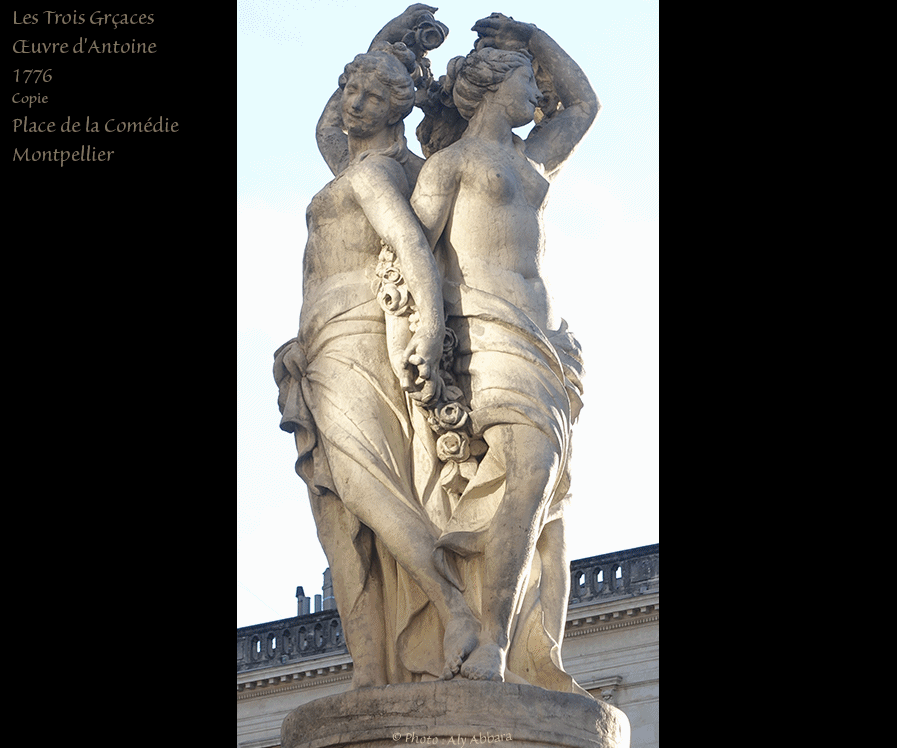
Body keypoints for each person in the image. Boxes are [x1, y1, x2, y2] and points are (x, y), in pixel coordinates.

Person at [274, 18, 481, 685]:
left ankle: (453, 602)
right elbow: (326, 131)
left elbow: (414, 250)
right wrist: (389, 41)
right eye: (348, 88)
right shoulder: (361, 163)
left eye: (367, 95)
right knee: (341, 512)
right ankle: (372, 669)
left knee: (364, 486)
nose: (351, 103)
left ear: (396, 110)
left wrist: (421, 330)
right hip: (320, 344)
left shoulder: (379, 177)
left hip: (354, 335)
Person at [409, 13, 600, 685]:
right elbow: (411, 258)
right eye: (525, 79)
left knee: (545, 487)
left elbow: (583, 103)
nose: (537, 94)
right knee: (529, 470)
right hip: (485, 330)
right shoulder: (452, 164)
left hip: (541, 342)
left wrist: (530, 36)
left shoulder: (529, 157)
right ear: (491, 87)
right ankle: (489, 638)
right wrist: (425, 343)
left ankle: (509, 637)